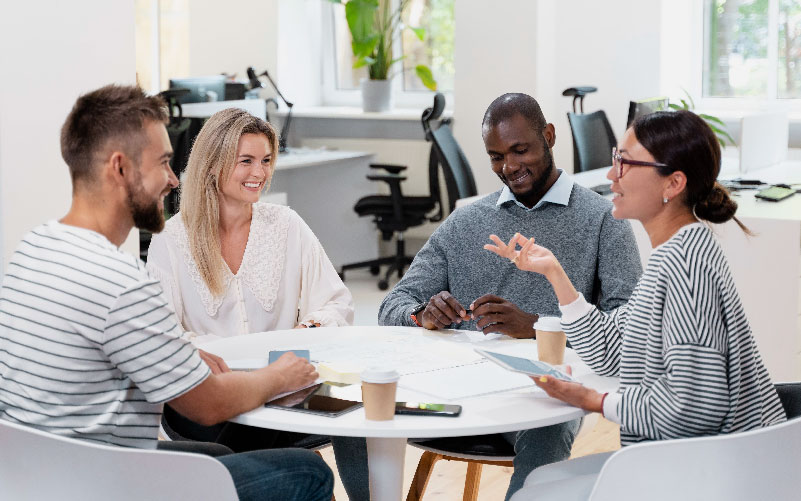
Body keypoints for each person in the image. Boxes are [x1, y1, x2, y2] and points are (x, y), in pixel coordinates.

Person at [0, 84, 333, 501]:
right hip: (107, 482)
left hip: (37, 475)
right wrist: (281, 375)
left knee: (213, 452)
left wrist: (181, 352)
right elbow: (207, 406)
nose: (173, 180)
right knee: (309, 472)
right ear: (120, 169)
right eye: (162, 163)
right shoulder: (121, 282)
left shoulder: (35, 249)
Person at [337, 93, 643, 500]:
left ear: (548, 136)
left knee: (546, 434)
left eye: (521, 150)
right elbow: (393, 306)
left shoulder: (604, 220)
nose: (510, 167)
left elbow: (628, 327)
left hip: (539, 393)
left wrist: (535, 326)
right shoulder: (466, 221)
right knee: (350, 411)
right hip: (451, 387)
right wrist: (422, 315)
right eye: (497, 156)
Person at [487, 110, 787, 499]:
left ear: (673, 183)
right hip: (706, 460)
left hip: (717, 473)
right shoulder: (680, 250)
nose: (612, 175)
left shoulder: (683, 267)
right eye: (616, 159)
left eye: (625, 163)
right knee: (539, 485)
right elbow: (613, 351)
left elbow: (694, 405)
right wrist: (557, 276)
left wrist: (594, 400)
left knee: (535, 493)